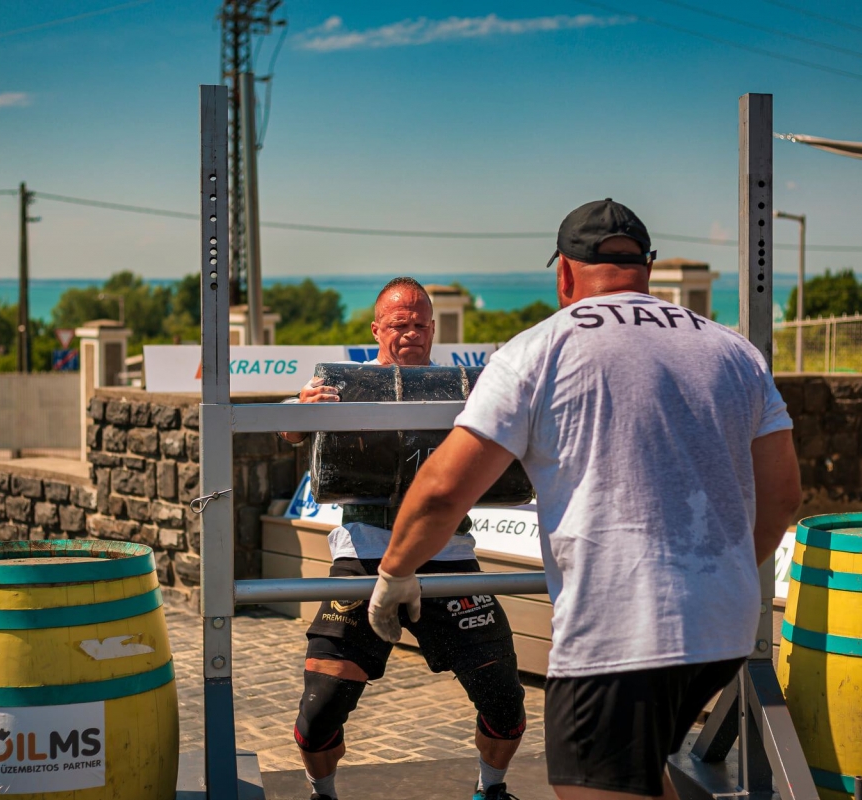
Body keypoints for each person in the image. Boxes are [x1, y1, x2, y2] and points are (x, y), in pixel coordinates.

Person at [370, 200, 802, 800]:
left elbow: (443, 491)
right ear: (646, 268)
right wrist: (714, 574)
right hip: (723, 627)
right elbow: (783, 497)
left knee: (590, 784)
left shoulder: (537, 350)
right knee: (635, 774)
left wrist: (395, 573)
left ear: (565, 275)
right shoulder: (733, 351)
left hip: (619, 631)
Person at [279, 276, 529, 800]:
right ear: (376, 329)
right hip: (366, 556)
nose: (411, 332)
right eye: (399, 324)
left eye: (419, 324)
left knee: (505, 700)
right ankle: (322, 793)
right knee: (319, 710)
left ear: (433, 329)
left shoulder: (465, 389)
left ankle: (491, 790)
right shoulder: (342, 385)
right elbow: (289, 429)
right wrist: (300, 409)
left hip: (447, 557)